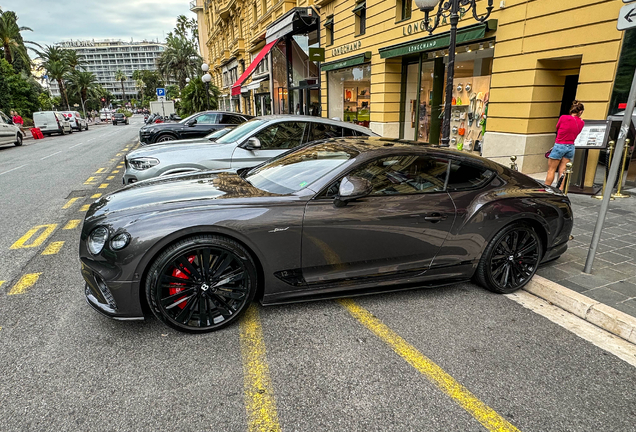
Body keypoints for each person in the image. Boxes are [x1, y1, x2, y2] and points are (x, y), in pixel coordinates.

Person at [545, 100, 585, 189]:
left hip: (559, 145)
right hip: (570, 147)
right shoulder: (581, 122)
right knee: (563, 172)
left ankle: (546, 190)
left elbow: (557, 127)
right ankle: (560, 191)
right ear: (580, 112)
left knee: (551, 170)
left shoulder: (563, 118)